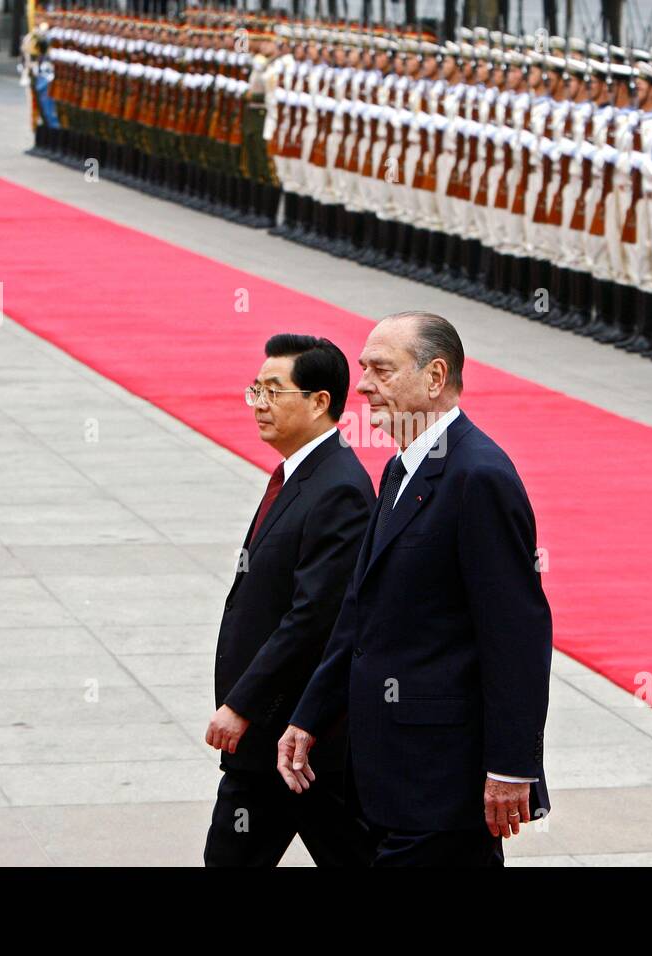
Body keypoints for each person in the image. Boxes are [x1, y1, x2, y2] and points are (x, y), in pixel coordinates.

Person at [277, 311, 552, 867]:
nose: (363, 386)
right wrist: (309, 715)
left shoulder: (479, 475)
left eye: (381, 370)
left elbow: (516, 634)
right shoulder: (401, 469)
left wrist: (511, 766)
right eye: (363, 369)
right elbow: (359, 611)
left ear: (434, 377)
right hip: (389, 768)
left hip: (442, 776)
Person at [204, 334, 376, 867]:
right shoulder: (299, 473)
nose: (259, 403)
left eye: (274, 391)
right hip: (273, 743)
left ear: (320, 401)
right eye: (256, 389)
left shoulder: (339, 489)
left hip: (296, 737)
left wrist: (242, 704)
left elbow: (313, 617)